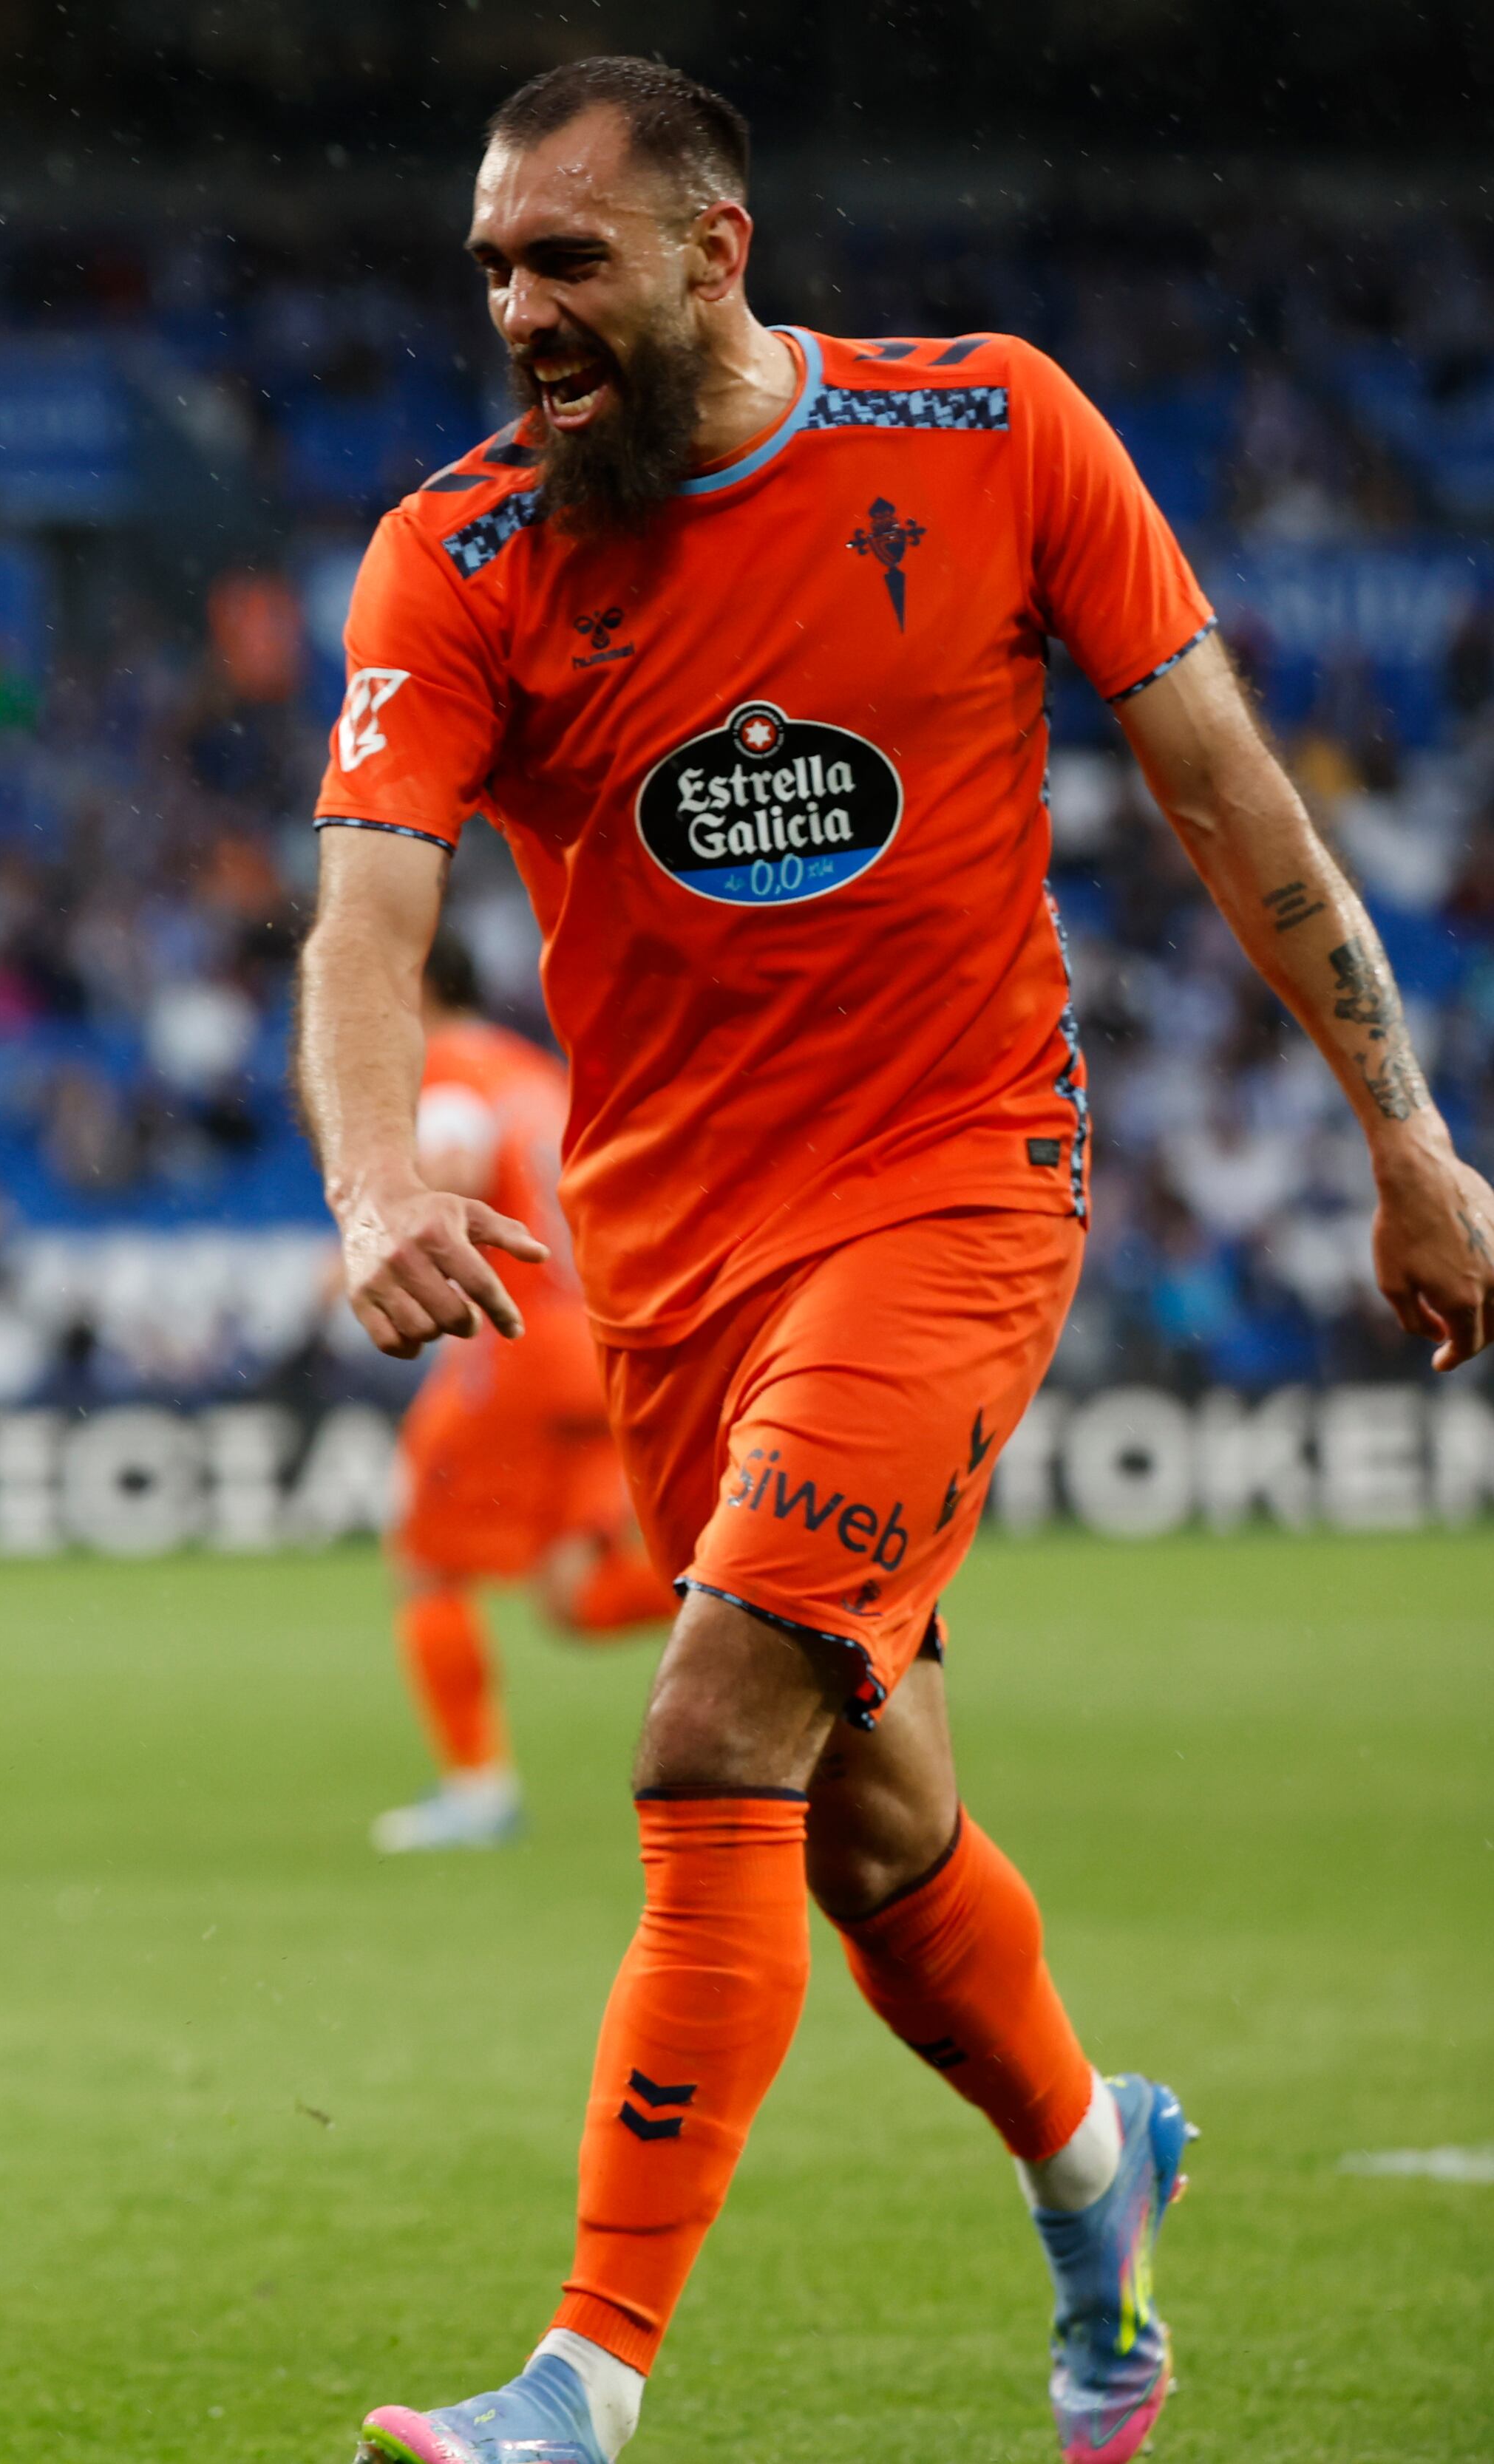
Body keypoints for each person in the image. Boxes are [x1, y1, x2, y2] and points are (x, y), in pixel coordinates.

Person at [293, 58, 1493, 2464]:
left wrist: (1412, 1136)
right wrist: (374, 1181)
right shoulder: (463, 551)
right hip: (672, 1258)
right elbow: (370, 912)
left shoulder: (993, 432)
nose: (520, 310)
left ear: (718, 250)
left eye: (569, 261)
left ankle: (581, 2385)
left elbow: (1227, 789)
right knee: (868, 1820)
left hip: (957, 1189)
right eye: (494, 269)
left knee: (712, 1728)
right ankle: (1093, 2166)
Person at [370, 936, 675, 1855]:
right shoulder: (533, 1072)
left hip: (518, 1339)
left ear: (418, 980)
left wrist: (381, 1232)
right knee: (572, 1593)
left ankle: (476, 1791)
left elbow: (450, 1161)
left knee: (423, 1563)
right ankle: (783, 1593)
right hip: (598, 1336)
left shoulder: (451, 1067)